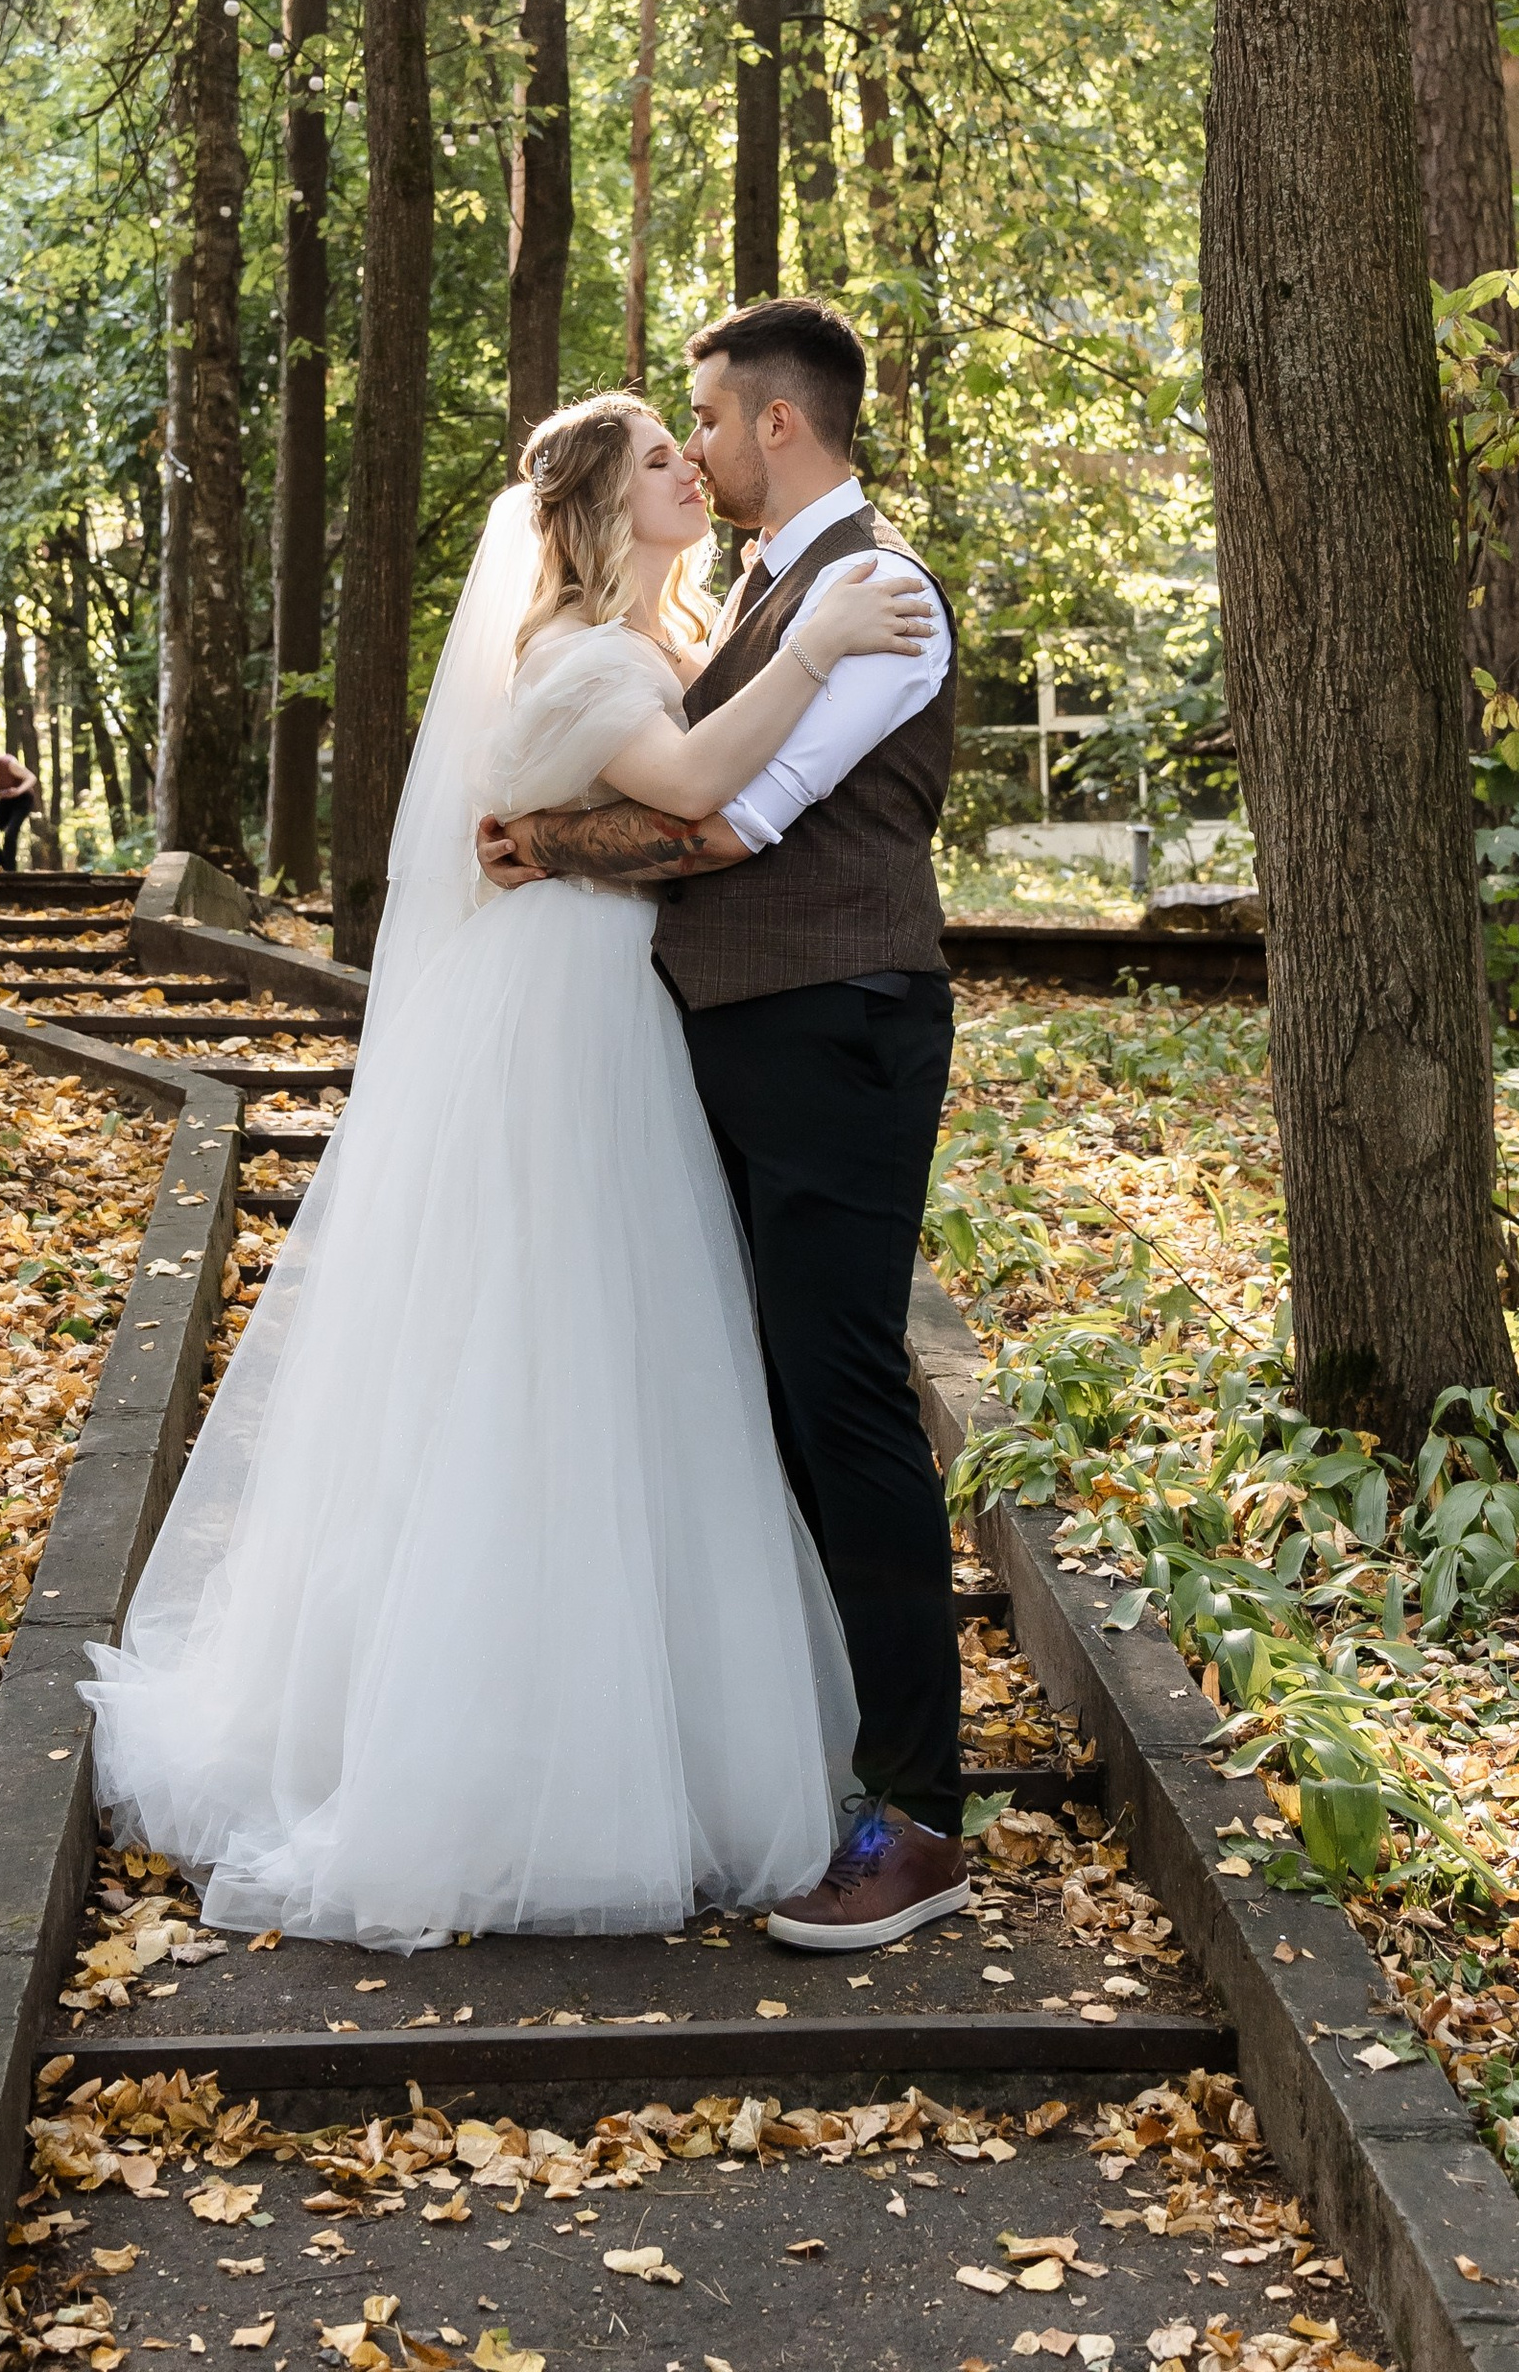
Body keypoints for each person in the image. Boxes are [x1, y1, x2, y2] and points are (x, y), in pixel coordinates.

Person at [77, 390, 932, 1947]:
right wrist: (809, 652)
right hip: (565, 1021)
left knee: (627, 1358)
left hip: (617, 1001)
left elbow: (675, 797)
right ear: (605, 510)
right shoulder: (591, 653)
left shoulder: (654, 639)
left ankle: (628, 1730)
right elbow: (688, 797)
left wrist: (574, 818)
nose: (693, 465)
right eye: (665, 459)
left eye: (699, 442)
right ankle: (509, 1763)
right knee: (556, 1350)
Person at [477, 297, 965, 1953]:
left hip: (837, 1032)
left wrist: (548, 847)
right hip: (746, 1039)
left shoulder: (877, 595)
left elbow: (739, 817)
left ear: (777, 425)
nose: (691, 444)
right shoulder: (767, 588)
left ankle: (918, 1815)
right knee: (771, 1397)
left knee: (843, 1402)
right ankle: (825, 1749)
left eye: (706, 416)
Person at [0, 736, 39, 873]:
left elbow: (31, 778)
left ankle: (10, 872)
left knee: (10, 833)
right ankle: (1, 868)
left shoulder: (7, 764)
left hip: (22, 799)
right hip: (4, 802)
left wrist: (18, 791)